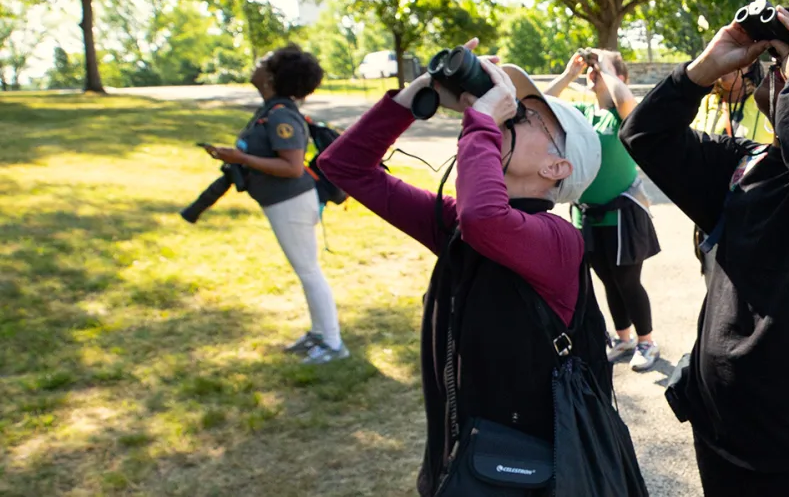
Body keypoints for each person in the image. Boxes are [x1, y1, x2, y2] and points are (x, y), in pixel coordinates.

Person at [316, 45, 618, 497]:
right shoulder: (461, 224)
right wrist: (421, 92)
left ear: (556, 167)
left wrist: (481, 123)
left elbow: (485, 219)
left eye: (528, 116)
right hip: (462, 459)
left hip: (533, 471)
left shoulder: (558, 241)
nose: (510, 113)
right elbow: (344, 167)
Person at [620, 8, 789, 496]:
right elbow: (645, 134)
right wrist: (707, 67)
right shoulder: (743, 164)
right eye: (786, 61)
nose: (786, 66)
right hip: (721, 423)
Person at [201, 45, 345, 364]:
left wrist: (239, 158)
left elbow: (292, 166)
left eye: (264, 63)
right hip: (283, 203)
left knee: (309, 272)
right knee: (306, 270)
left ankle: (333, 343)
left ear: (272, 77)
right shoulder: (272, 109)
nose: (256, 65)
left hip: (291, 202)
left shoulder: (280, 114)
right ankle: (319, 334)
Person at [544, 48, 662, 372]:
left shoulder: (624, 115)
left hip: (623, 215)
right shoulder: (581, 112)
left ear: (618, 78)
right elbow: (538, 104)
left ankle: (647, 341)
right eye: (592, 72)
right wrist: (570, 74)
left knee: (628, 282)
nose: (593, 75)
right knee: (607, 281)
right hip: (588, 215)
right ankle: (623, 338)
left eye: (603, 72)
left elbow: (624, 100)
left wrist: (607, 65)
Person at [689, 56, 775, 272]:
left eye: (735, 56)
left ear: (751, 65)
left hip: (755, 218)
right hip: (712, 216)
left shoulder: (764, 101)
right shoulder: (707, 103)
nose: (726, 63)